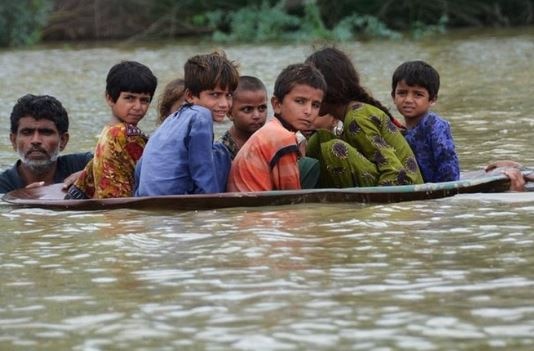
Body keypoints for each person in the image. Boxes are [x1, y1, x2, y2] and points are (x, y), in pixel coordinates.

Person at [304, 47, 424, 188]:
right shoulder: (350, 115)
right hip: (386, 181)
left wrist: (371, 210)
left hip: (404, 188)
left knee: (334, 148)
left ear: (329, 88)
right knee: (318, 140)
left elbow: (395, 173)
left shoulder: (357, 118)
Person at [135, 51, 239, 196]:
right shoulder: (201, 116)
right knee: (221, 152)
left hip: (147, 197)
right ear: (190, 96)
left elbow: (141, 165)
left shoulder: (170, 121)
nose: (224, 104)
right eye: (215, 95)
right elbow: (203, 171)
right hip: (175, 200)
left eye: (228, 95)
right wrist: (213, 209)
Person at [227, 63, 327, 192]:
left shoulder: (272, 129)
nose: (308, 111)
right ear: (277, 104)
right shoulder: (282, 137)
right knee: (311, 166)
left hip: (246, 206)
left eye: (315, 105)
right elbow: (292, 197)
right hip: (254, 209)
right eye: (300, 101)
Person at [65, 60, 157, 199]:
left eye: (144, 100)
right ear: (110, 98)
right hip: (123, 211)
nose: (138, 107)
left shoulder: (107, 132)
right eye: (129, 98)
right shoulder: (123, 133)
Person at [0, 94, 92, 194]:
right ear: (13, 141)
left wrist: (92, 177)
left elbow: (109, 168)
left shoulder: (84, 165)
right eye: (27, 132)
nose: (36, 140)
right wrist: (20, 201)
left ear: (63, 140)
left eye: (46, 132)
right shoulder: (3, 186)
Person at [391, 60, 460, 183]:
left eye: (418, 94)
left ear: (432, 99)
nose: (408, 100)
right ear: (393, 97)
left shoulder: (435, 126)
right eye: (402, 93)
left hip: (437, 191)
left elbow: (449, 168)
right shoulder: (396, 131)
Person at [219, 75, 268, 160]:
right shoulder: (222, 151)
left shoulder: (272, 141)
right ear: (230, 113)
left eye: (262, 108)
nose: (257, 115)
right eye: (247, 109)